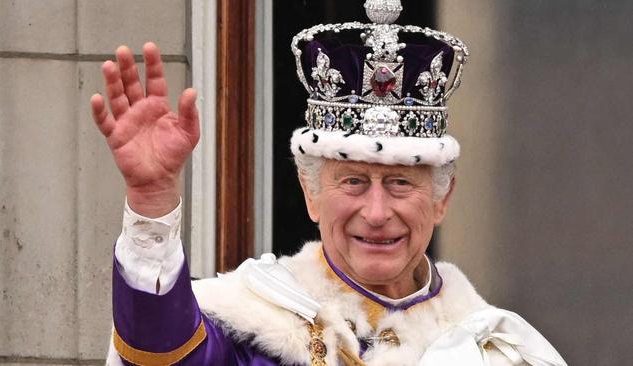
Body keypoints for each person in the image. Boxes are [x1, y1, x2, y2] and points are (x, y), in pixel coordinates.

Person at [91, 1, 568, 365]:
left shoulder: (494, 349)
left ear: (442, 199)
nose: (377, 213)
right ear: (311, 194)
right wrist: (152, 201)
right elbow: (162, 351)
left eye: (401, 183)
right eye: (354, 182)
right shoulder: (247, 327)